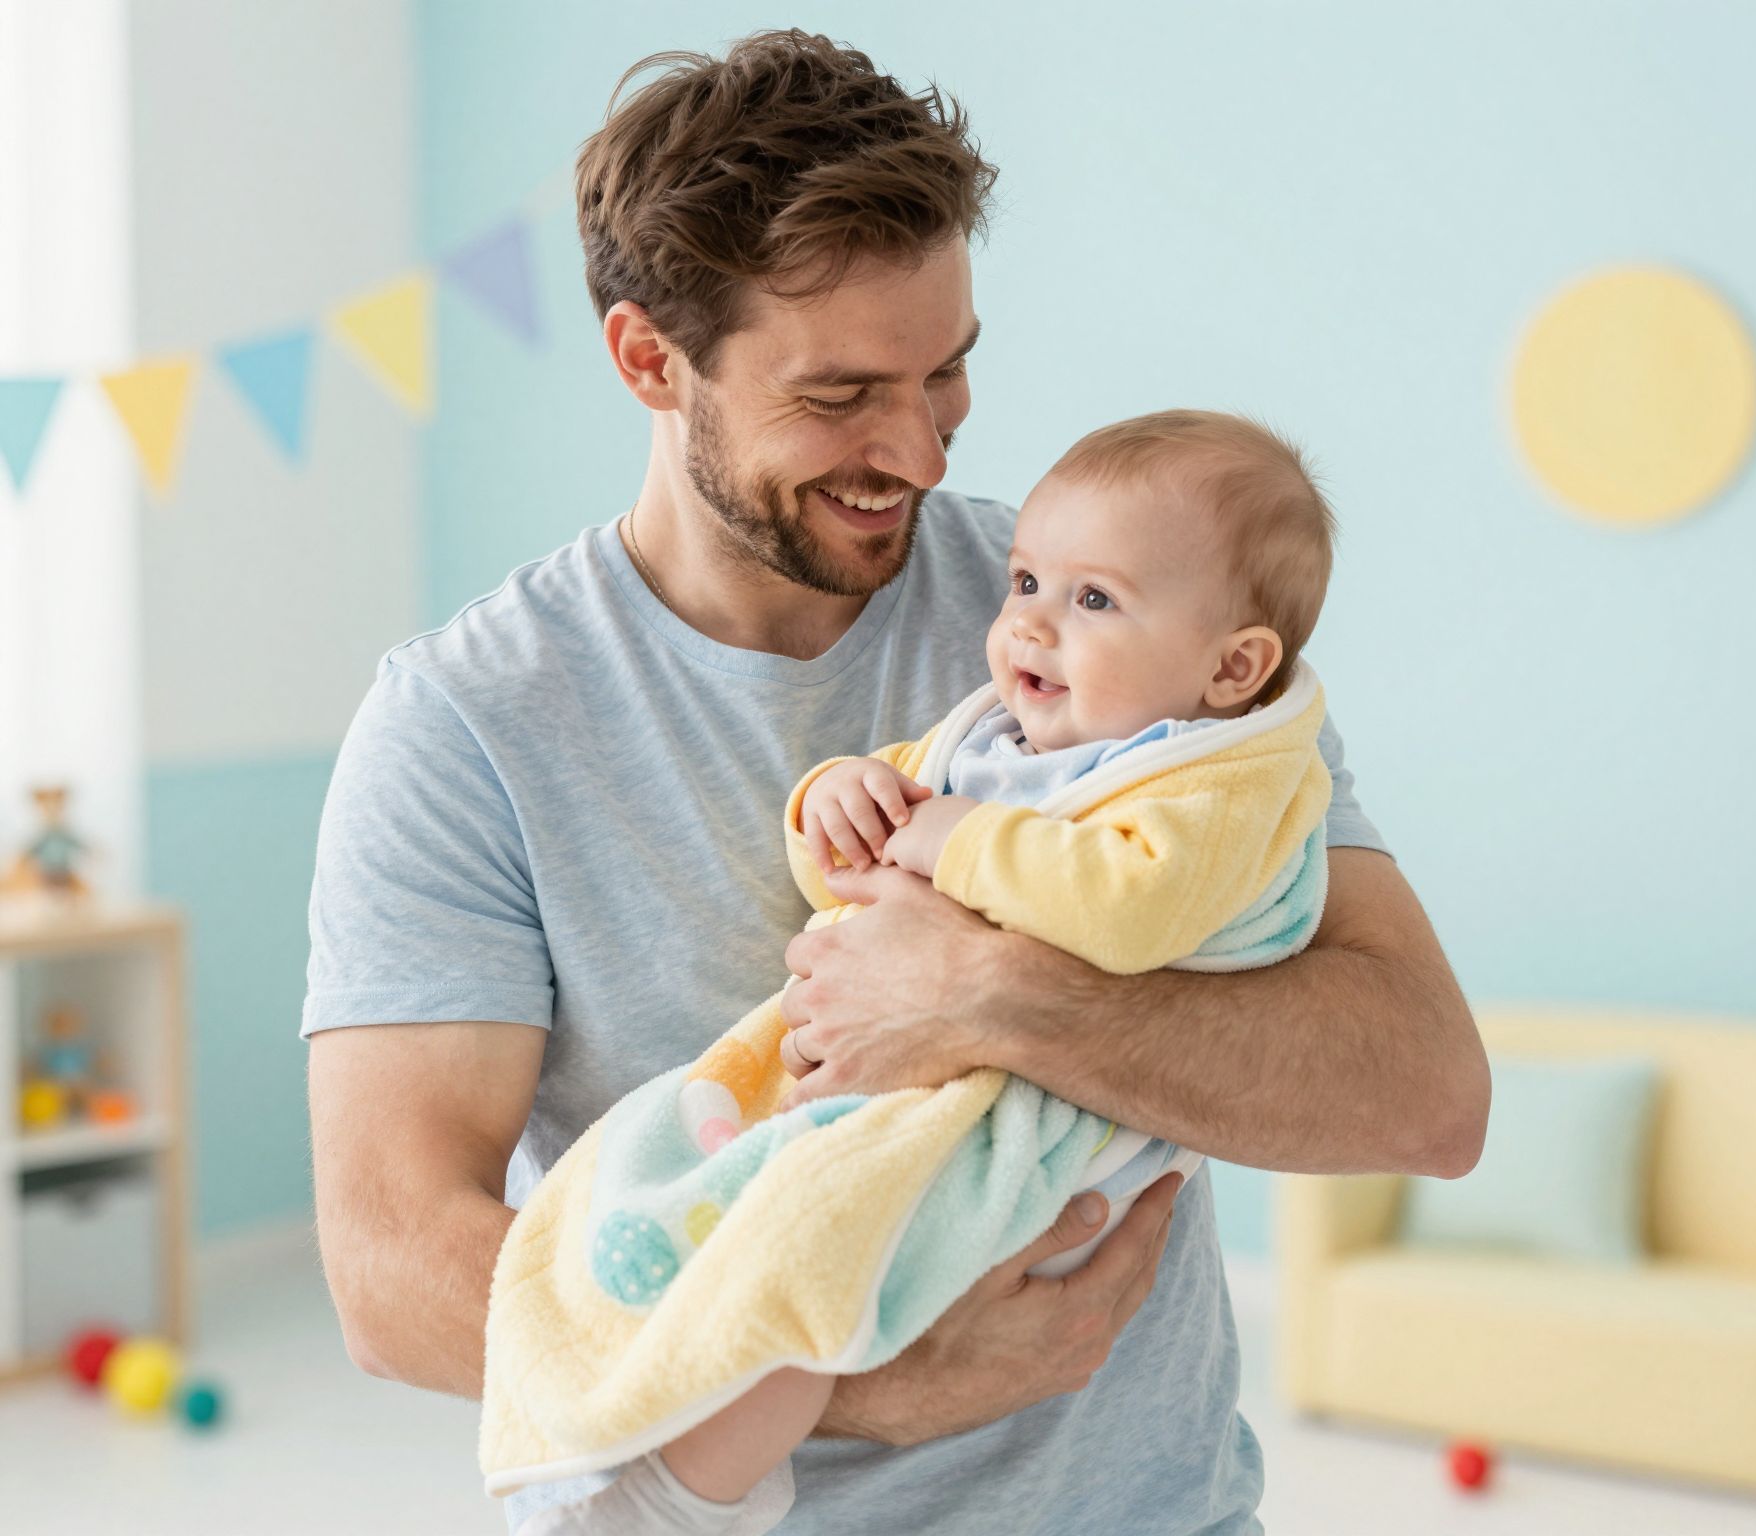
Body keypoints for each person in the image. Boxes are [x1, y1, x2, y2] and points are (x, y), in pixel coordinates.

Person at [304, 31, 1487, 1536]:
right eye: (845, 392)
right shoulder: (467, 724)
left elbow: (1428, 1097)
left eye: (948, 370)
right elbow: (389, 1270)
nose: (920, 453)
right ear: (650, 360)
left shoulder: (1121, 617)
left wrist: (995, 997)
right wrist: (854, 1373)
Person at [500, 410, 1347, 1535]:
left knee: (818, 1241)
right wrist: (836, 799)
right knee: (723, 1201)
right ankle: (621, 1434)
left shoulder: (1210, 784)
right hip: (911, 1077)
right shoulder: (1005, 743)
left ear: (1232, 666)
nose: (1030, 623)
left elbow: (1128, 907)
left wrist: (957, 845)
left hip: (1034, 1116)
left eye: (1093, 601)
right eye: (1026, 583)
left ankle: (680, 1497)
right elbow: (865, 844)